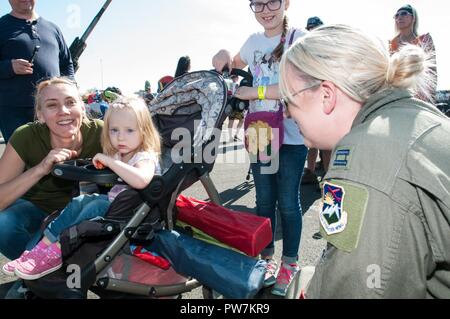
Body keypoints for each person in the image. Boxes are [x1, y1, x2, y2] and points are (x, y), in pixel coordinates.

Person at [279, 24, 449, 298]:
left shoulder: (365, 157)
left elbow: (357, 288)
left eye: (288, 100)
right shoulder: (419, 116)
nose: (286, 113)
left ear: (326, 95)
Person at [2, 96, 162, 280]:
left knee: (91, 208)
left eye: (129, 130)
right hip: (114, 204)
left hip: (132, 211)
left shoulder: (145, 156)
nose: (120, 137)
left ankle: (55, 253)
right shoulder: (120, 154)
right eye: (114, 130)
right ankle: (38, 250)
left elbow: (141, 180)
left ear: (145, 131)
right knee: (79, 202)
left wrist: (111, 161)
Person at [213, 0, 308, 297]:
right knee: (264, 199)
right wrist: (225, 54)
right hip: (259, 131)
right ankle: (267, 259)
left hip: (293, 134)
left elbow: (302, 87)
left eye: (273, 2)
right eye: (258, 4)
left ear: (286, 3)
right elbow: (234, 63)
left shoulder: (299, 38)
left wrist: (256, 91)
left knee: (288, 201)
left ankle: (289, 262)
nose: (266, 9)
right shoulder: (253, 41)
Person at [0, 77, 103, 262]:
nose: (63, 111)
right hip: (39, 209)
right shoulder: (25, 136)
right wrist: (41, 168)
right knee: (2, 224)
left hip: (88, 211)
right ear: (40, 115)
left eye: (70, 102)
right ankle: (40, 273)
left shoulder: (102, 133)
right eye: (52, 105)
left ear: (82, 107)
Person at [0, 0, 74, 143]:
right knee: (24, 161)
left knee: (60, 156)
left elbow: (67, 64)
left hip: (54, 109)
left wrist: (72, 90)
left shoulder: (53, 28)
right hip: (14, 112)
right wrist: (9, 67)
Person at [301, 16, 331, 186]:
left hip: (326, 98)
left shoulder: (328, 49)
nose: (312, 30)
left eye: (316, 27)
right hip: (310, 100)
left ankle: (328, 175)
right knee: (311, 141)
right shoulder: (303, 50)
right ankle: (310, 171)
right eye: (310, 27)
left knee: (326, 143)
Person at [389, 4, 437, 99]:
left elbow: (432, 70)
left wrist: (430, 95)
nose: (399, 17)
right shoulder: (391, 44)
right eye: (396, 15)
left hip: (420, 92)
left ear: (413, 18)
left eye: (404, 13)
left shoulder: (424, 40)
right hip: (396, 93)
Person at [227, 75, 245, 142]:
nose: (234, 78)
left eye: (235, 77)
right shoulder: (235, 85)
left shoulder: (231, 84)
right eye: (233, 77)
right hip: (235, 105)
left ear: (237, 78)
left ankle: (234, 136)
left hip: (233, 105)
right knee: (233, 121)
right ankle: (232, 136)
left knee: (240, 120)